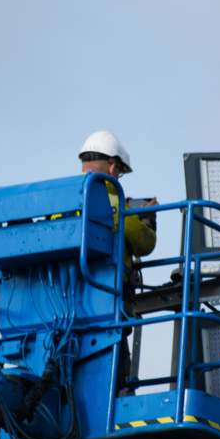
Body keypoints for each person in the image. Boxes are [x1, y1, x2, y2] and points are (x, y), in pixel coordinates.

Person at [77, 131, 157, 396]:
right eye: (120, 172)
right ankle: (119, 396)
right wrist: (145, 218)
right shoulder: (114, 200)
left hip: (69, 297)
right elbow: (145, 243)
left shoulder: (66, 200)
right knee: (116, 360)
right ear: (113, 167)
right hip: (109, 297)